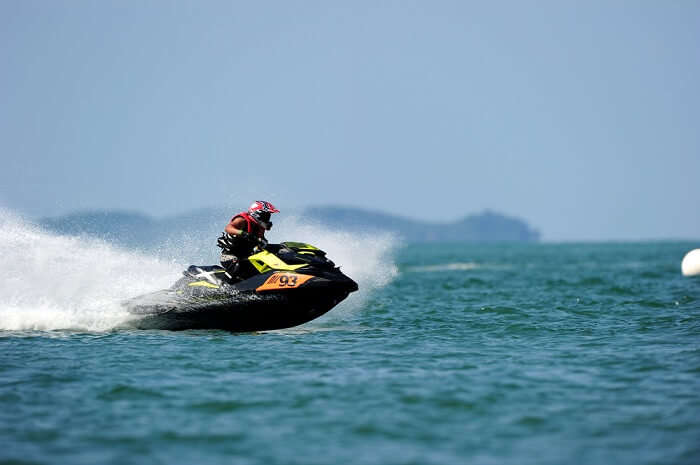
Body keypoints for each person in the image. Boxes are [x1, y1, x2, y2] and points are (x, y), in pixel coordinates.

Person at [216, 200, 279, 281]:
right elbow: (228, 228)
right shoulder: (242, 220)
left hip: (247, 255)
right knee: (237, 264)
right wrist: (243, 233)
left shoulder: (259, 227)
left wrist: (264, 243)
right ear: (257, 214)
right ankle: (224, 287)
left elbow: (260, 241)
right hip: (229, 256)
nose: (267, 219)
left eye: (268, 216)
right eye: (266, 216)